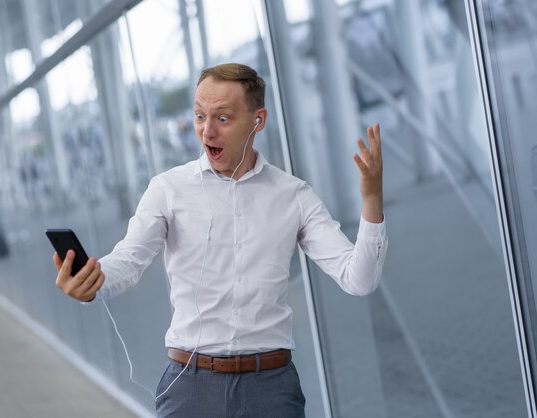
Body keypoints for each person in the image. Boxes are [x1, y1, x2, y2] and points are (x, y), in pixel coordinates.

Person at [53, 63, 387, 417]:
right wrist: (93, 281)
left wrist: (371, 201)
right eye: (199, 116)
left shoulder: (294, 196)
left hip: (271, 391)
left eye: (222, 118)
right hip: (189, 388)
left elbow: (359, 279)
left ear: (258, 120)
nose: (206, 131)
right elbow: (129, 258)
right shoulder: (168, 189)